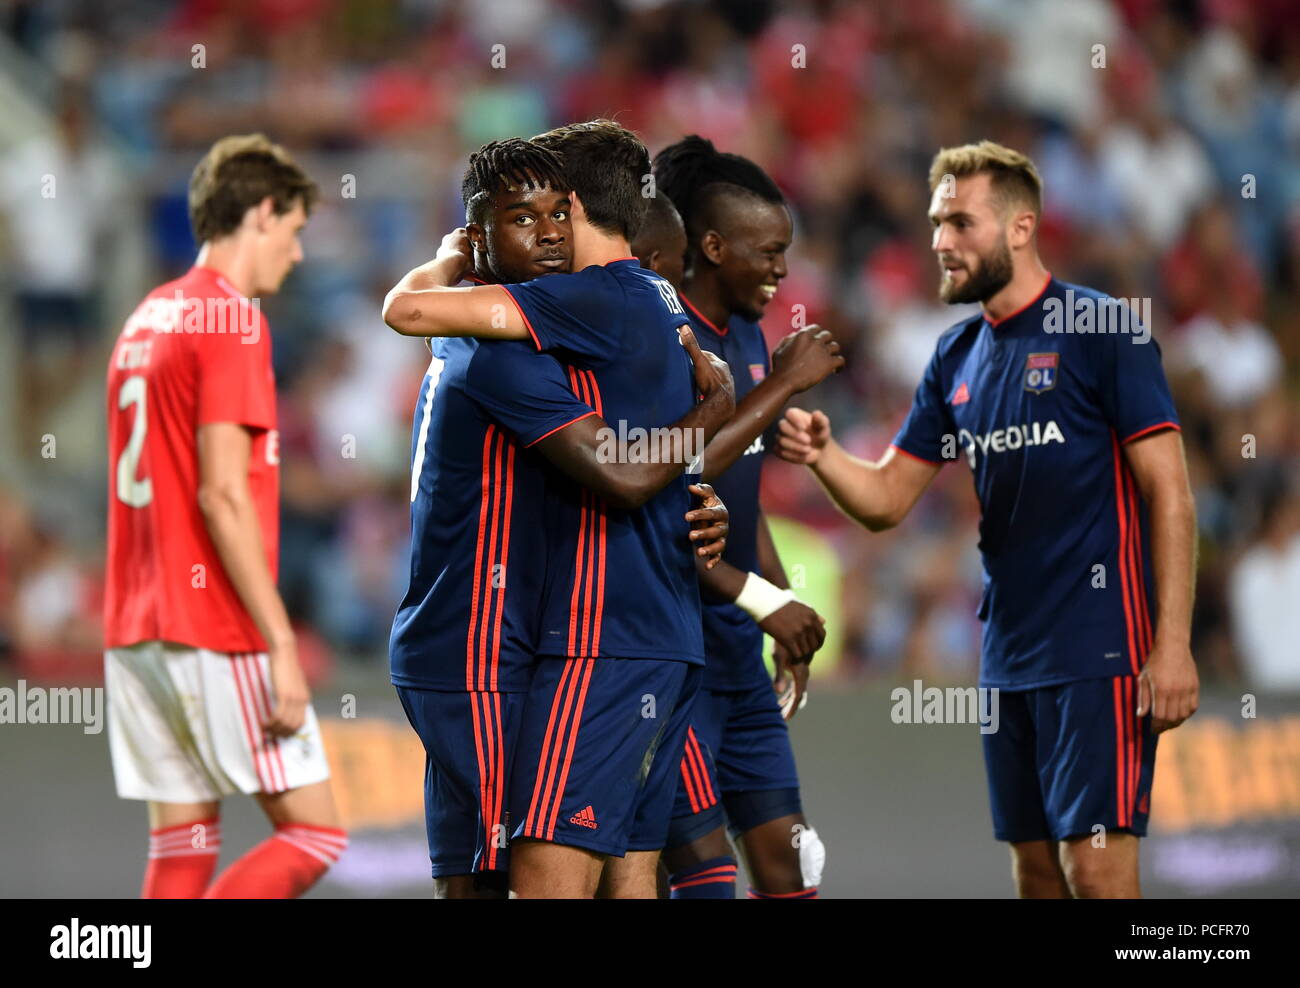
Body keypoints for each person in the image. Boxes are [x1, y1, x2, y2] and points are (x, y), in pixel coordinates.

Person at [778, 140, 1199, 898]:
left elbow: (1170, 492)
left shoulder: (1103, 329)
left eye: (961, 223)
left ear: (1020, 228)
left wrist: (1171, 647)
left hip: (1100, 646)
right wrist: (825, 454)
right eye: (937, 223)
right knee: (1036, 874)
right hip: (1006, 653)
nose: (940, 241)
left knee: (1096, 871)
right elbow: (886, 499)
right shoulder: (957, 356)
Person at [384, 119, 730, 898]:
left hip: (575, 638)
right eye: (521, 216)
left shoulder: (548, 319)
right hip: (506, 641)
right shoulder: (515, 333)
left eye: (550, 213)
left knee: (545, 872)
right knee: (595, 870)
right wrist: (711, 434)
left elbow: (626, 466)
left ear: (575, 208)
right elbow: (630, 461)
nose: (544, 233)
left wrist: (694, 488)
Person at [104, 134, 346, 899]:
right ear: (263, 212)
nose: (299, 255)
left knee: (184, 845)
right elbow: (222, 492)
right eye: (297, 230)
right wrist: (280, 640)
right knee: (313, 831)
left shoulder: (146, 317)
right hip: (208, 620)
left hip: (133, 626)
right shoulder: (232, 320)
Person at [645, 137, 842, 899]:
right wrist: (783, 385)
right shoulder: (668, 339)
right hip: (673, 655)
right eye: (768, 251)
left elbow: (739, 498)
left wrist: (777, 605)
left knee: (791, 872)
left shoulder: (755, 336)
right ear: (712, 246)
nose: (782, 270)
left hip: (739, 661)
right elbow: (675, 478)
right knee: (704, 882)